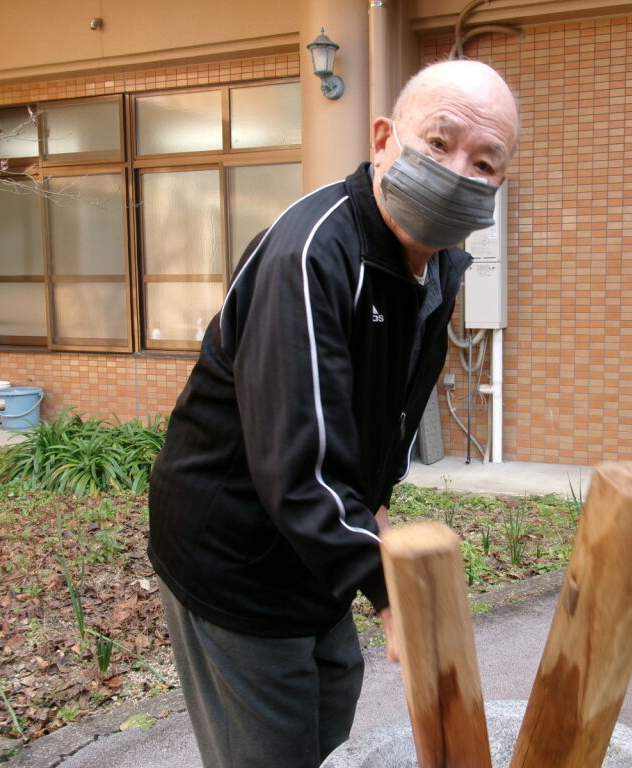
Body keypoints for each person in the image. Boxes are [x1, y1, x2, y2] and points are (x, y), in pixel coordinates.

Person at [147, 58, 518, 767]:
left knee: (331, 712)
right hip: (234, 554)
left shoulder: (437, 265)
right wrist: (393, 592)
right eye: (438, 144)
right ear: (384, 140)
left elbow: (382, 424)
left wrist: (375, 519)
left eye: (485, 161)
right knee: (273, 747)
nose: (457, 171)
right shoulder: (314, 253)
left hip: (316, 549)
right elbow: (298, 465)